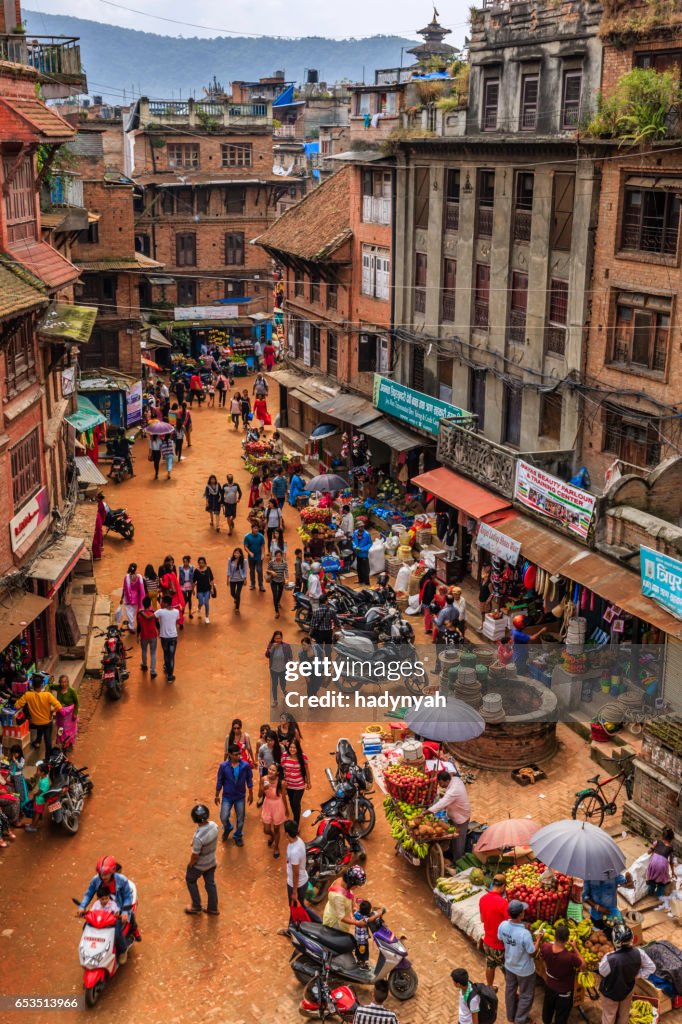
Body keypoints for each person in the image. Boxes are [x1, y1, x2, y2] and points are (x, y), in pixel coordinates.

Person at [78, 856, 138, 961]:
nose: (103, 876)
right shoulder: (96, 880)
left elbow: (127, 897)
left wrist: (124, 912)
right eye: (101, 874)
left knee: (116, 933)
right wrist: (82, 907)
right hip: (101, 910)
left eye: (106, 874)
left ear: (113, 871)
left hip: (116, 910)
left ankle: (123, 950)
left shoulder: (122, 880)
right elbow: (88, 894)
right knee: (86, 927)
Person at [598, 923, 655, 1024]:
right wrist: (637, 975)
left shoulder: (610, 958)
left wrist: (609, 955)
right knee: (624, 1014)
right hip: (628, 989)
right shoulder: (639, 953)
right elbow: (651, 967)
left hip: (611, 991)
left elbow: (602, 972)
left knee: (609, 1015)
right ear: (632, 939)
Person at [498, 899, 544, 1024]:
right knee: (526, 995)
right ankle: (520, 1020)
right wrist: (538, 940)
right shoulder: (524, 934)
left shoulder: (502, 925)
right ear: (521, 915)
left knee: (510, 991)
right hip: (524, 970)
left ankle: (510, 1016)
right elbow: (532, 952)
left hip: (509, 965)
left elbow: (500, 938)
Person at [540, 921, 584, 1024]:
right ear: (567, 939)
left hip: (550, 985)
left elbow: (541, 958)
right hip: (564, 991)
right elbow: (583, 965)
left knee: (547, 1009)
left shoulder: (545, 947)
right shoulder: (570, 957)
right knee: (561, 1015)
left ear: (555, 937)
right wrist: (575, 948)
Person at [283, 819, 322, 924]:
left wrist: (294, 892)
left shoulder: (294, 852)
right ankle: (292, 926)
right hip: (302, 880)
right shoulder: (298, 841)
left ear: (286, 833)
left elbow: (296, 874)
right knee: (298, 905)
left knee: (296, 905)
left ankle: (294, 927)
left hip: (296, 884)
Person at [215, 743, 253, 847]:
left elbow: (249, 780)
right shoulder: (223, 766)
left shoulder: (245, 766)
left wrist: (251, 794)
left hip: (240, 796)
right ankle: (228, 827)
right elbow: (220, 781)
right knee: (223, 817)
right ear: (230, 755)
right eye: (236, 754)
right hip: (227, 796)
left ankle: (238, 836)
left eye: (239, 754)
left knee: (240, 819)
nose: (239, 756)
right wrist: (217, 794)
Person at [428, 769, 471, 862]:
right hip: (455, 815)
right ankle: (451, 853)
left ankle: (458, 861)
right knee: (453, 837)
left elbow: (442, 803)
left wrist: (427, 812)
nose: (440, 785)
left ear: (447, 781)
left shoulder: (453, 790)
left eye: (440, 783)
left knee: (459, 841)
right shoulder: (455, 779)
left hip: (461, 818)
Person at [185, 804, 219, 916]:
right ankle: (213, 908)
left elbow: (195, 856)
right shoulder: (214, 825)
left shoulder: (198, 838)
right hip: (212, 862)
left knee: (190, 879)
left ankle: (196, 906)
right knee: (210, 884)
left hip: (200, 865)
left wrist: (190, 864)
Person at [15, 674, 61, 758]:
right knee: (48, 742)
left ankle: (37, 742)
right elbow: (59, 706)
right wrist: (52, 712)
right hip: (47, 723)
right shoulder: (47, 695)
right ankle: (47, 759)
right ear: (42, 685)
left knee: (38, 727)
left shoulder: (28, 695)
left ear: (32, 685)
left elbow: (17, 705)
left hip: (36, 723)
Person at [479, 873, 509, 986]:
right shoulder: (503, 903)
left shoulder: (483, 899)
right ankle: (512, 993)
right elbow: (510, 923)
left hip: (487, 941)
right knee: (508, 971)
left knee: (490, 965)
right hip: (499, 945)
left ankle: (490, 987)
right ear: (503, 887)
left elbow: (482, 919)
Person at [583, 870, 632, 939]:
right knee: (599, 939)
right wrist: (597, 907)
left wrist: (629, 881)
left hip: (612, 914)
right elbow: (585, 896)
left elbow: (628, 885)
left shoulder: (614, 874)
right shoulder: (588, 876)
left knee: (618, 937)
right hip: (596, 915)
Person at [323, 865, 367, 933]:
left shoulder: (343, 881)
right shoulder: (337, 897)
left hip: (338, 909)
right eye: (356, 886)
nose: (356, 887)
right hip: (336, 923)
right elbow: (342, 918)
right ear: (350, 883)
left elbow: (350, 892)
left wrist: (354, 904)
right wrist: (357, 923)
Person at [261, 763, 288, 860]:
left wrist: (286, 810)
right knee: (266, 830)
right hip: (267, 804)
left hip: (278, 806)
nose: (270, 771)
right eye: (269, 769)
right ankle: (272, 836)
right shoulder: (264, 779)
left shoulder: (282, 783)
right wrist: (264, 788)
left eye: (273, 770)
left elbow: (284, 797)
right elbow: (260, 795)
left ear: (278, 773)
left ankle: (276, 847)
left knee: (277, 829)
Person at [281, 735, 310, 825]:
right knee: (291, 802)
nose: (292, 749)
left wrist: (308, 782)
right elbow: (283, 769)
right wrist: (283, 782)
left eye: (294, 747)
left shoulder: (303, 757)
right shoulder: (284, 756)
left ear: (298, 748)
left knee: (295, 803)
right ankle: (296, 817)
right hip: (289, 785)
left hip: (299, 785)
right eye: (291, 747)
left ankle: (296, 822)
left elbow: (306, 769)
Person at [155, 594, 180, 681]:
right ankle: (170, 676)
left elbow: (152, 617)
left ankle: (166, 667)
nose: (161, 603)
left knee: (166, 654)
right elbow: (176, 621)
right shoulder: (176, 612)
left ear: (165, 603)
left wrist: (158, 627)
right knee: (171, 656)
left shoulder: (160, 612)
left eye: (162, 602)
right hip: (173, 636)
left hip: (164, 637)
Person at [645, 826, 675, 900]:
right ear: (672, 839)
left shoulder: (657, 842)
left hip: (653, 863)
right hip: (662, 866)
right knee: (662, 882)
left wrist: (650, 851)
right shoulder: (671, 849)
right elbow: (671, 862)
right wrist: (673, 872)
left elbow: (650, 850)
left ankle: (650, 892)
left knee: (651, 880)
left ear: (662, 836)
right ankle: (659, 895)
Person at [52, 673, 79, 751]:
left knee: (70, 730)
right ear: (59, 683)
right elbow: (51, 686)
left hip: (70, 715)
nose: (64, 684)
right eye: (62, 682)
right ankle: (63, 742)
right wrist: (50, 681)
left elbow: (77, 702)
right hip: (60, 714)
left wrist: (75, 713)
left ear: (68, 682)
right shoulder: (58, 688)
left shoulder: (72, 691)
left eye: (65, 682)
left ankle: (70, 743)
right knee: (61, 729)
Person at [266, 630, 293, 707]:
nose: (278, 640)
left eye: (279, 638)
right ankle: (275, 700)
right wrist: (271, 649)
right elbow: (267, 655)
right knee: (274, 685)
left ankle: (284, 690)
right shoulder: (271, 645)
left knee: (283, 683)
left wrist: (291, 664)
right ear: (274, 638)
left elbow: (290, 655)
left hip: (283, 669)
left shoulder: (286, 646)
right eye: (276, 638)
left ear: (282, 638)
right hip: (273, 669)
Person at [354, 899, 382, 967]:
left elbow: (355, 910)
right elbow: (370, 919)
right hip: (362, 940)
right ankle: (362, 963)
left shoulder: (357, 914)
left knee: (358, 950)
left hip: (357, 938)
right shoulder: (364, 918)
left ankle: (358, 960)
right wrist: (378, 914)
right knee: (363, 952)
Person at [25, 760, 50, 832]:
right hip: (39, 799)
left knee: (37, 814)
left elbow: (40, 791)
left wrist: (34, 795)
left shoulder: (43, 781)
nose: (37, 772)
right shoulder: (44, 778)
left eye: (38, 770)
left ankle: (33, 827)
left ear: (43, 773)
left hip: (39, 800)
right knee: (36, 812)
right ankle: (33, 825)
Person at [137, 596, 159, 678]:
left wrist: (137, 636)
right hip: (153, 635)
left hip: (144, 636)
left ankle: (144, 665)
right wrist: (159, 632)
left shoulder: (140, 614)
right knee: (153, 653)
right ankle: (153, 671)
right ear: (150, 604)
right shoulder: (153, 613)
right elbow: (157, 624)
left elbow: (139, 626)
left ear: (143, 604)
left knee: (144, 651)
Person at [310, 594, 338, 659]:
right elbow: (336, 621)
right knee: (328, 649)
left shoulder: (316, 611)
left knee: (319, 649)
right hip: (328, 632)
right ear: (326, 601)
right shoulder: (331, 610)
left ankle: (320, 662)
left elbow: (312, 624)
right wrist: (336, 626)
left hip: (319, 633)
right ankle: (328, 662)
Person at [120, 562, 146, 632]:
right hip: (137, 598)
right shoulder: (139, 577)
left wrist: (121, 598)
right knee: (134, 613)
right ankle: (132, 625)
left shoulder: (126, 578)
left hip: (128, 598)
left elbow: (124, 588)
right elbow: (141, 589)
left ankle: (131, 627)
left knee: (129, 613)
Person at [244, 522, 266, 592]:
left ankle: (261, 585)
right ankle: (253, 584)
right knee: (252, 570)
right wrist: (249, 552)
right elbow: (245, 547)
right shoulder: (247, 537)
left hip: (259, 556)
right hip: (251, 557)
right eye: (255, 528)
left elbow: (262, 546)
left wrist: (263, 554)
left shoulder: (261, 536)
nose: (256, 530)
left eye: (257, 528)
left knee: (259, 570)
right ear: (252, 528)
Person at [193, 556, 215, 625]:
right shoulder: (196, 571)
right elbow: (194, 581)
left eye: (202, 563)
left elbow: (211, 579)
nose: (201, 564)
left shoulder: (208, 569)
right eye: (199, 563)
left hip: (207, 590)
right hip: (199, 590)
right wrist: (193, 589)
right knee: (201, 602)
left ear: (205, 563)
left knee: (206, 603)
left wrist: (211, 588)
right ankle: (199, 608)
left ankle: (207, 617)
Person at [419, 568, 438, 635]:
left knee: (427, 615)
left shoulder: (425, 579)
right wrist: (434, 600)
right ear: (432, 575)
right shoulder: (430, 583)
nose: (436, 576)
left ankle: (429, 628)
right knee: (428, 616)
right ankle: (428, 629)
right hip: (428, 602)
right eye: (435, 574)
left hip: (424, 600)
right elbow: (430, 594)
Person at [179, 555, 195, 621]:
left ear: (188, 562)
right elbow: (180, 577)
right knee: (185, 597)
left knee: (189, 598)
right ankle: (183, 608)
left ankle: (189, 612)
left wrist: (193, 588)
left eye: (186, 562)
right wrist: (179, 586)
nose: (185, 563)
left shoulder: (191, 568)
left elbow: (193, 577)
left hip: (190, 584)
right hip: (183, 584)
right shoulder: (180, 568)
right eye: (184, 561)